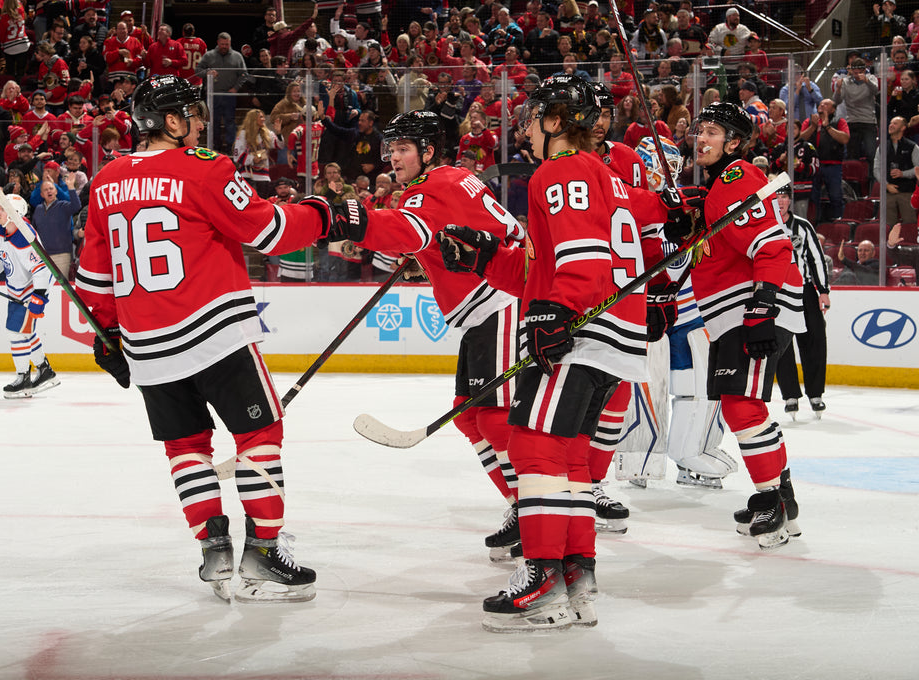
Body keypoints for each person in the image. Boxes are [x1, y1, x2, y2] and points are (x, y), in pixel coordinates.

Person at [74, 74, 335, 603]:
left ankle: (214, 548)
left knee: (185, 446)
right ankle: (262, 551)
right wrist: (324, 215)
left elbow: (94, 281)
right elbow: (270, 232)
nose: (198, 122)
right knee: (261, 436)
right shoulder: (205, 168)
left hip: (147, 347)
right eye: (190, 113)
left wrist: (108, 339)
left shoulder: (105, 181)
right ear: (169, 122)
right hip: (215, 332)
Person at [438, 75, 656, 631]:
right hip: (612, 334)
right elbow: (543, 267)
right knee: (571, 456)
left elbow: (582, 260)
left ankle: (542, 582)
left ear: (557, 122)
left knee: (533, 444)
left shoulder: (560, 171)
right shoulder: (601, 174)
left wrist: (554, 313)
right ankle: (576, 573)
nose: (527, 127)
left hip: (585, 330)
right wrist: (486, 259)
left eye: (535, 118)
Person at [319, 109, 528, 560]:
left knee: (493, 416)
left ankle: (536, 506)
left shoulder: (432, 188)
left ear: (428, 152)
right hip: (486, 307)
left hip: (498, 300)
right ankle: (522, 505)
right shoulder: (453, 180)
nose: (393, 157)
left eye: (403, 148)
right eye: (390, 148)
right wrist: (426, 251)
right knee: (469, 415)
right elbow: (452, 232)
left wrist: (356, 221)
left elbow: (405, 229)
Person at [678, 102, 805, 549]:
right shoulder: (717, 189)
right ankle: (780, 499)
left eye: (712, 132)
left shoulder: (735, 178)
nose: (702, 139)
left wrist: (762, 307)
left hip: (749, 304)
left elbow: (771, 245)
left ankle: (772, 499)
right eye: (700, 131)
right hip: (736, 308)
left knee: (741, 406)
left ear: (733, 143)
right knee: (740, 405)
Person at [0, 194, 59, 398]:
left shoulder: (25, 237)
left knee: (15, 333)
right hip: (17, 287)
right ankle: (45, 371)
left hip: (32, 287)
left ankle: (23, 379)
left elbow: (42, 270)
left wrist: (39, 297)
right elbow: (1, 256)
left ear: (14, 214)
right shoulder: (1, 230)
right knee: (24, 332)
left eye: (1, 208)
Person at [773, 186, 830, 421]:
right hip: (777, 291)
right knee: (781, 344)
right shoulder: (765, 226)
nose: (782, 201)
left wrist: (823, 291)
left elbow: (816, 259)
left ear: (790, 201)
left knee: (814, 340)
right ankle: (790, 396)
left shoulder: (804, 226)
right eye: (777, 197)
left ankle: (815, 393)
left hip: (804, 290)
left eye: (785, 197)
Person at [799, 98, 849, 222]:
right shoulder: (809, 121)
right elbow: (799, 139)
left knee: (835, 196)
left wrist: (827, 127)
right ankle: (814, 223)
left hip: (833, 165)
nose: (822, 105)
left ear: (833, 109)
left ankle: (839, 222)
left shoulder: (838, 121)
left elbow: (845, 139)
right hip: (813, 166)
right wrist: (812, 126)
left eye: (826, 104)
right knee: (813, 198)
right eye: (820, 104)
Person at [31, 174, 81, 277]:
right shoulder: (38, 209)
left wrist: (71, 187)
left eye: (51, 188)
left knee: (59, 286)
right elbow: (34, 231)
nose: (49, 191)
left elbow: (77, 206)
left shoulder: (64, 206)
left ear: (56, 191)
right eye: (45, 190)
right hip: (42, 255)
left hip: (61, 255)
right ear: (41, 194)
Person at [873, 116, 919, 227]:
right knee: (887, 226)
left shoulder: (912, 147)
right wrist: (886, 185)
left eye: (895, 123)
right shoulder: (882, 147)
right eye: (891, 123)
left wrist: (903, 173)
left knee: (910, 225)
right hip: (888, 193)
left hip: (907, 193)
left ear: (903, 128)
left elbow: (918, 168)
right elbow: (876, 169)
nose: (891, 125)